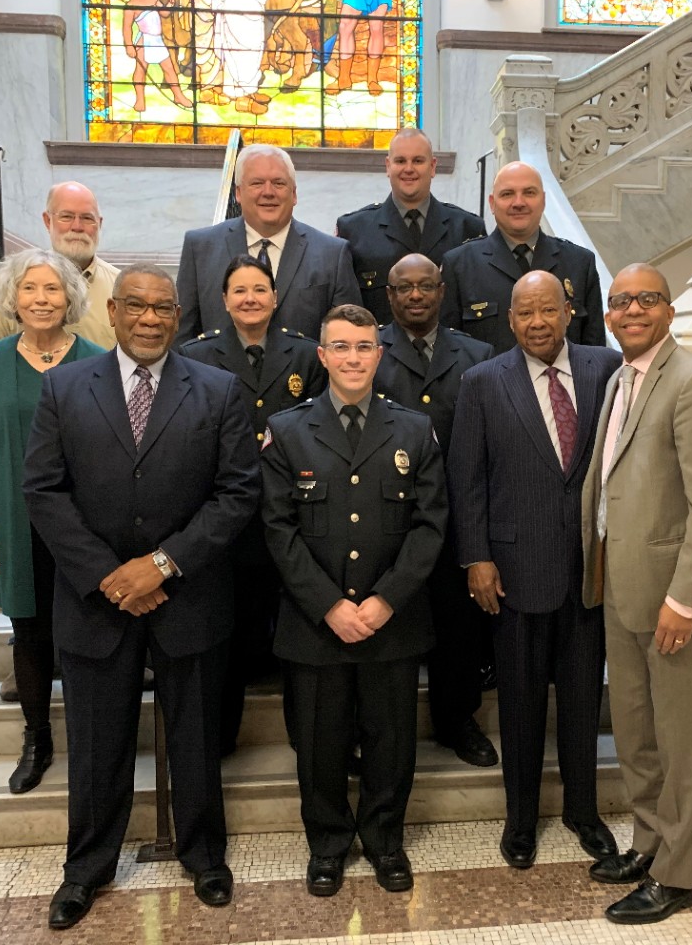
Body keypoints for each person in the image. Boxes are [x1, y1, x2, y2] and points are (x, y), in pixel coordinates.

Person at [23, 265, 261, 929]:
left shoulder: (217, 389)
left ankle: (204, 855)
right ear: (112, 310)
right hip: (96, 601)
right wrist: (111, 576)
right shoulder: (64, 387)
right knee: (97, 745)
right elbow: (43, 489)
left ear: (178, 315)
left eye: (162, 308)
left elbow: (237, 492)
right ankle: (86, 868)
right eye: (136, 306)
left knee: (197, 738)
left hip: (188, 594)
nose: (150, 319)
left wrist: (161, 565)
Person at [261, 304, 446, 898]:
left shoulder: (413, 430)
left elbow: (430, 525)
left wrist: (386, 599)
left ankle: (385, 841)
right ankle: (328, 844)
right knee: (320, 743)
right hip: (316, 623)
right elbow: (277, 529)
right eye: (340, 346)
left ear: (380, 354)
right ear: (322, 355)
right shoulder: (288, 430)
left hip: (392, 620)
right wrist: (329, 605)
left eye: (364, 346)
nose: (353, 357)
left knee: (391, 741)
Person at [580, 264, 692, 926]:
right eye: (621, 301)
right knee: (637, 732)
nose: (632, 310)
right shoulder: (620, 380)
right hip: (620, 585)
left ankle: (678, 874)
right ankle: (648, 843)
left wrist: (686, 598)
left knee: (680, 741)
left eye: (647, 299)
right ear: (608, 315)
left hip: (672, 598)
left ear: (669, 311)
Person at [447, 271, 620, 870]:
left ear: (569, 311)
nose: (537, 322)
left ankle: (583, 812)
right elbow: (467, 478)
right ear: (510, 319)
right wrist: (476, 557)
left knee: (582, 700)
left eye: (548, 310)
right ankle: (520, 820)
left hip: (591, 568)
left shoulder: (607, 369)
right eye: (525, 313)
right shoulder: (482, 382)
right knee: (519, 705)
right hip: (514, 570)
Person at [0, 250, 106, 796]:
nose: (41, 299)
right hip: (14, 517)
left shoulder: (97, 360)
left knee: (84, 628)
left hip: (80, 520)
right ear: (13, 298)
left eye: (52, 289)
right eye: (29, 288)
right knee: (28, 630)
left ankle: (92, 739)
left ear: (70, 297)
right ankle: (37, 739)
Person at [180, 253, 327, 754]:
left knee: (300, 628)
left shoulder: (306, 355)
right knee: (227, 632)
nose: (250, 299)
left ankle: (310, 740)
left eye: (260, 289)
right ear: (223, 300)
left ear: (275, 297)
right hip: (227, 518)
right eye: (239, 291)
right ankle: (220, 740)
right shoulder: (197, 357)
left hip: (295, 513)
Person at [374, 253, 496, 767]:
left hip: (455, 518)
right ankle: (381, 731)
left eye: (426, 286)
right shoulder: (367, 351)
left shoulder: (477, 354)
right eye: (404, 287)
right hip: (386, 522)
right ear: (389, 295)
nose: (415, 295)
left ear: (442, 291)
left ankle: (457, 721)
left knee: (458, 630)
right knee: (389, 628)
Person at [176, 144, 361, 343]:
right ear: (238, 193)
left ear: (294, 194)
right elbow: (182, 335)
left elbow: (348, 339)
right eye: (257, 183)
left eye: (278, 183)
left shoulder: (332, 254)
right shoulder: (200, 248)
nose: (268, 192)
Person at [440, 161, 605, 354]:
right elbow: (451, 351)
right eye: (507, 194)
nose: (518, 203)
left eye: (529, 193)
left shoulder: (579, 263)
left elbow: (595, 353)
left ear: (543, 200)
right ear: (492, 203)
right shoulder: (459, 265)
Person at [336, 128, 485, 324]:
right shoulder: (354, 230)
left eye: (418, 161)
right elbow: (347, 313)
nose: (408, 169)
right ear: (388, 166)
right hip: (381, 344)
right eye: (400, 161)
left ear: (432, 166)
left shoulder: (467, 228)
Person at [0, 182, 118, 350]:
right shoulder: (10, 286)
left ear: (99, 224)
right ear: (48, 221)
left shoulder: (120, 288)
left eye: (87, 218)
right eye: (66, 217)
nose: (77, 227)